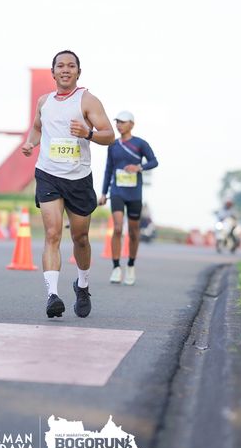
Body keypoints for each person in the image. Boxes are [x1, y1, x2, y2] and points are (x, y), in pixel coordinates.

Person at [21, 50, 114, 319]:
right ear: (53, 72)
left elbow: (110, 135)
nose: (65, 70)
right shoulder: (44, 101)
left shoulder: (88, 100)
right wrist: (30, 143)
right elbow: (37, 128)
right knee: (52, 234)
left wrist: (89, 133)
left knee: (80, 238)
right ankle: (52, 295)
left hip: (78, 177)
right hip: (48, 174)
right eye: (60, 66)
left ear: (78, 72)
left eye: (71, 66)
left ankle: (82, 285)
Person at [98, 111, 158, 285]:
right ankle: (116, 267)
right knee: (117, 228)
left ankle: (130, 265)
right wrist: (104, 193)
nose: (119, 125)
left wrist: (139, 167)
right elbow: (108, 170)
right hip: (117, 191)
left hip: (134, 193)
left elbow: (154, 161)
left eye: (122, 122)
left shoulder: (140, 144)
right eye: (117, 122)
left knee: (133, 231)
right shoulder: (113, 145)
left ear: (132, 124)